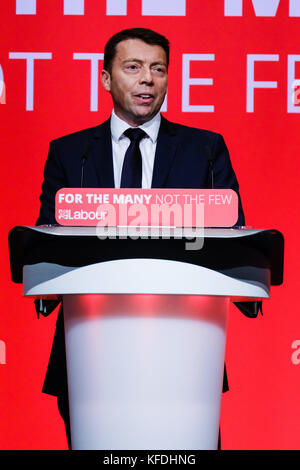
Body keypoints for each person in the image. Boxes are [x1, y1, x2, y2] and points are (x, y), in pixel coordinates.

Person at [36, 28, 247, 449]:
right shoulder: (69, 152)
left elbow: (234, 234)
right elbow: (47, 238)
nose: (147, 79)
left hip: (185, 349)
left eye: (158, 69)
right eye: (133, 67)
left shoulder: (204, 150)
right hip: (90, 351)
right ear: (106, 78)